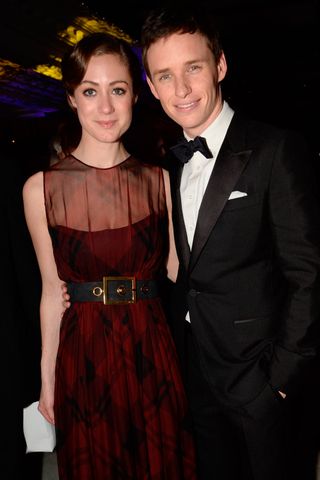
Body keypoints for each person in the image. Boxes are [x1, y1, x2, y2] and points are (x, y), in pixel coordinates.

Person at [139, 5, 320, 480]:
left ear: (220, 65)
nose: (180, 90)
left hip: (261, 379)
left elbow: (308, 274)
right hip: (196, 376)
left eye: (193, 68)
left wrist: (280, 380)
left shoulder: (275, 149)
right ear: (152, 86)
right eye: (165, 75)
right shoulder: (169, 164)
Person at [23, 32, 197, 480]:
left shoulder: (160, 181)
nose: (105, 107)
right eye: (90, 91)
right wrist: (46, 381)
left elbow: (183, 272)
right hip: (84, 359)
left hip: (151, 350)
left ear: (136, 95)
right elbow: (50, 293)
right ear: (71, 98)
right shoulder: (40, 188)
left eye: (117, 90)